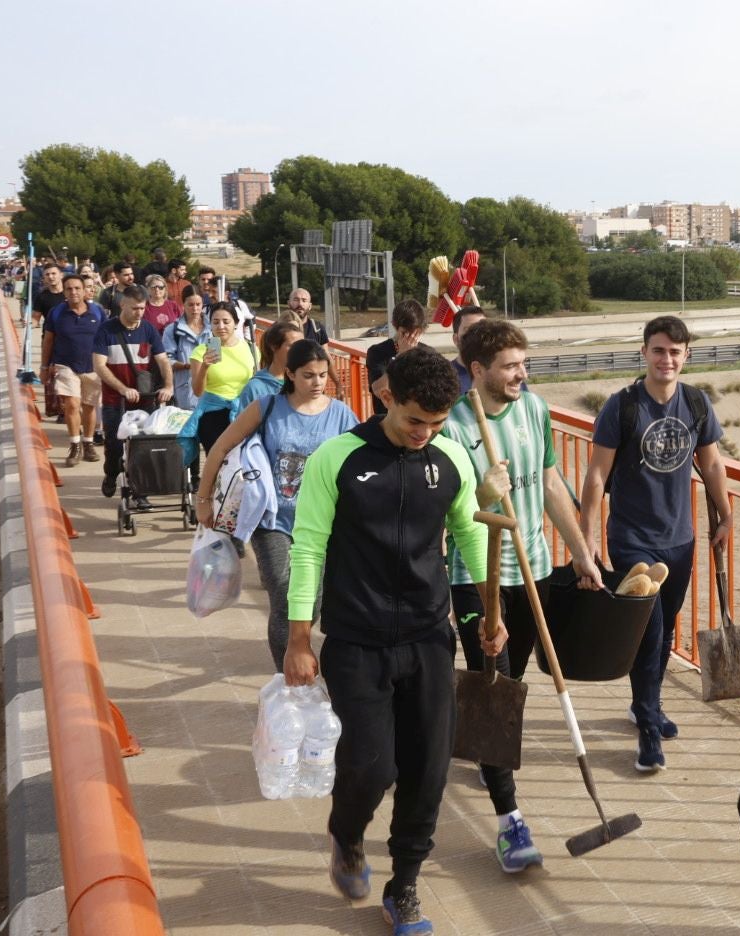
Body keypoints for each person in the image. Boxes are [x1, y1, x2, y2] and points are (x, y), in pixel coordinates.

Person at [284, 346, 502, 933]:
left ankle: (403, 884)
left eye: (436, 423)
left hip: (431, 637)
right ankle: (347, 834)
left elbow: (470, 535)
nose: (424, 434)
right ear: (386, 398)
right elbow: (307, 549)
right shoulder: (338, 459)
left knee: (428, 769)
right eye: (414, 421)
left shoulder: (450, 458)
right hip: (357, 639)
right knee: (372, 765)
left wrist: (490, 608)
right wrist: (299, 638)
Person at [441, 319, 601, 873]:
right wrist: (484, 492)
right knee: (493, 690)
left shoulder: (534, 410)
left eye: (524, 365)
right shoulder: (454, 428)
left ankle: (467, 741)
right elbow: (454, 513)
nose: (521, 375)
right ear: (478, 371)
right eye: (510, 367)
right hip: (476, 575)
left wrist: (580, 550)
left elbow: (551, 483)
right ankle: (510, 822)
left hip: (534, 569)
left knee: (514, 684)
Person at [577, 315, 731, 773]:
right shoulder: (622, 407)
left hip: (679, 540)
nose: (667, 359)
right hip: (631, 539)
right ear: (644, 352)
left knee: (664, 631)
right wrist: (587, 542)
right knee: (651, 631)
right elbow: (596, 475)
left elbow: (714, 464)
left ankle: (650, 702)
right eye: (659, 350)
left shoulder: (697, 404)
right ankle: (647, 726)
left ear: (687, 356)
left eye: (675, 351)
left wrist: (726, 516)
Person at [197, 339, 358, 668]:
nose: (317, 383)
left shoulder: (342, 415)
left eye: (323, 375)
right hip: (273, 521)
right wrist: (202, 499)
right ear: (290, 374)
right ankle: (288, 674)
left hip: (324, 524)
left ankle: (298, 653)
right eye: (308, 375)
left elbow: (362, 462)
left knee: (311, 603)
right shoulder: (267, 407)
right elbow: (219, 448)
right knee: (285, 596)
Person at [91, 286, 175, 499]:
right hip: (115, 399)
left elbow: (163, 360)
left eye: (142, 308)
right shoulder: (106, 330)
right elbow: (100, 366)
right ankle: (111, 473)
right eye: (135, 308)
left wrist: (168, 386)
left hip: (144, 398)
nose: (139, 313)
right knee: (114, 445)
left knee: (142, 445)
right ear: (122, 305)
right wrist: (122, 389)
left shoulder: (148, 329)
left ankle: (140, 492)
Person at [41, 274, 107, 466]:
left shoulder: (98, 312)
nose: (74, 292)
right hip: (66, 365)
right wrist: (45, 366)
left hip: (93, 366)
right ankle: (75, 444)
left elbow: (106, 340)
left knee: (89, 406)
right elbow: (48, 341)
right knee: (71, 404)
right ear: (64, 291)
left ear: (85, 290)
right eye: (69, 289)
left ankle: (88, 443)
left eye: (77, 288)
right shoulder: (56, 313)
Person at [188, 301, 257, 460]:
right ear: (209, 325)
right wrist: (205, 367)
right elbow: (198, 391)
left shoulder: (250, 349)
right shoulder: (200, 351)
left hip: (244, 413)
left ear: (236, 324)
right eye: (215, 322)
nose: (221, 326)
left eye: (226, 322)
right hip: (213, 415)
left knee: (244, 464)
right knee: (218, 466)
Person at [235, 320, 303, 414]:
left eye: (302, 346)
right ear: (274, 346)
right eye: (292, 346)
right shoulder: (255, 388)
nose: (299, 350)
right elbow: (242, 426)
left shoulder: (305, 381)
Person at [366, 300, 426, 403]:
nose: (409, 339)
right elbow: (378, 390)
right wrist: (400, 357)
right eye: (405, 333)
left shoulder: (428, 354)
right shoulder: (377, 352)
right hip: (387, 416)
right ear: (394, 325)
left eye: (414, 334)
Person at [162, 293, 208, 412]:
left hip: (211, 390)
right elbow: (167, 360)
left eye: (198, 304)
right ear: (183, 305)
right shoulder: (172, 330)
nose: (195, 308)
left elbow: (218, 357)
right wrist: (188, 366)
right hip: (185, 389)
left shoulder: (212, 328)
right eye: (191, 305)